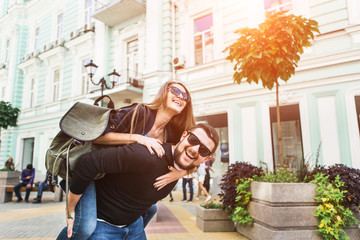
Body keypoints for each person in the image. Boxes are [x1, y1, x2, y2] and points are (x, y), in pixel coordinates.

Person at [57, 80, 195, 240]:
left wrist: (181, 173)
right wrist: (137, 138)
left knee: (151, 210)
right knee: (85, 228)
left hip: (116, 183)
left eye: (185, 96)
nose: (181, 97)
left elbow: (195, 155)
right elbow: (97, 138)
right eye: (175, 91)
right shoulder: (140, 112)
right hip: (91, 171)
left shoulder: (173, 133)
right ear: (164, 93)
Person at [59, 123, 219, 239]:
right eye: (194, 140)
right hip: (103, 226)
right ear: (184, 135)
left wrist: (182, 172)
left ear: (206, 158)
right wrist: (70, 208)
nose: (195, 149)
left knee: (152, 208)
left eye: (203, 150)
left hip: (133, 227)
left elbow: (187, 160)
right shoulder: (146, 155)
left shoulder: (181, 167)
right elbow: (88, 162)